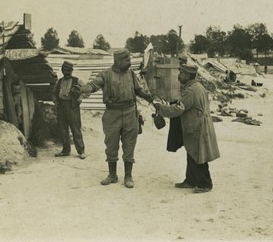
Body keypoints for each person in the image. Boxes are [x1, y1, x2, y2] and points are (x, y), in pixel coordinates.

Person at [76, 49, 153, 188]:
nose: (130, 63)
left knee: (129, 145)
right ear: (117, 61)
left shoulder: (131, 74)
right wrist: (85, 88)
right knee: (111, 145)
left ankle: (128, 176)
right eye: (127, 60)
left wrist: (148, 97)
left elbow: (137, 90)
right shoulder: (106, 75)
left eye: (130, 60)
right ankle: (112, 175)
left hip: (130, 112)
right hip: (112, 113)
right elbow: (94, 85)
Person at [153, 64, 220, 193]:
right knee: (192, 153)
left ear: (188, 75)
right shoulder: (196, 86)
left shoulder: (190, 91)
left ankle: (205, 184)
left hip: (196, 127)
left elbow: (178, 109)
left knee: (198, 155)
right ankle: (190, 181)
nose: (179, 75)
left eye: (182, 73)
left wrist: (160, 108)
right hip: (198, 124)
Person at [52, 61, 87, 159]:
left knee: (75, 129)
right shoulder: (59, 81)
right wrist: (55, 101)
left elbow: (86, 90)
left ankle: (81, 151)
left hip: (72, 106)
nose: (66, 72)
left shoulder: (77, 81)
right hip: (61, 107)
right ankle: (65, 150)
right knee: (62, 129)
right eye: (64, 70)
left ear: (71, 71)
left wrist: (80, 98)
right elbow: (54, 93)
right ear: (62, 70)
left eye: (68, 70)